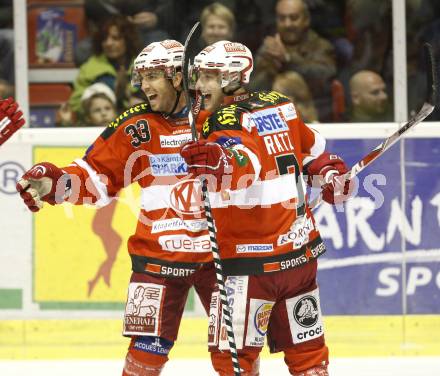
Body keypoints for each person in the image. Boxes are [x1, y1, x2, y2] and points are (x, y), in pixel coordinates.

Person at [16, 40, 217, 375]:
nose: (145, 86)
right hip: (158, 257)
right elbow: (96, 177)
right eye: (143, 77)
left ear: (178, 77)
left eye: (153, 76)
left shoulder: (217, 116)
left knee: (236, 349)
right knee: (144, 358)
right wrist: (53, 183)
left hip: (220, 255)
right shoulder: (136, 127)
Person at [180, 40, 353, 375]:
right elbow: (311, 153)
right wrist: (329, 174)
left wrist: (219, 161)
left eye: (209, 76)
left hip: (250, 265)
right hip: (299, 259)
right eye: (199, 75)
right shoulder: (280, 105)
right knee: (309, 355)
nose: (199, 84)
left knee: (233, 360)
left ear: (233, 78)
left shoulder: (224, 118)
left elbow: (244, 161)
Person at [250, 0, 336, 121]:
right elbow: (251, 90)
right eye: (282, 18)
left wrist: (287, 60)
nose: (287, 24)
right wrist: (269, 66)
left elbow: (326, 76)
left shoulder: (321, 46)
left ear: (306, 20)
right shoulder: (269, 49)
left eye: (294, 18)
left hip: (314, 116)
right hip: (270, 119)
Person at [69, 15, 140, 119]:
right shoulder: (90, 68)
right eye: (104, 39)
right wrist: (95, 102)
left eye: (115, 38)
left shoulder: (143, 66)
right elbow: (76, 103)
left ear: (127, 40)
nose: (108, 43)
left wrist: (138, 102)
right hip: (99, 126)